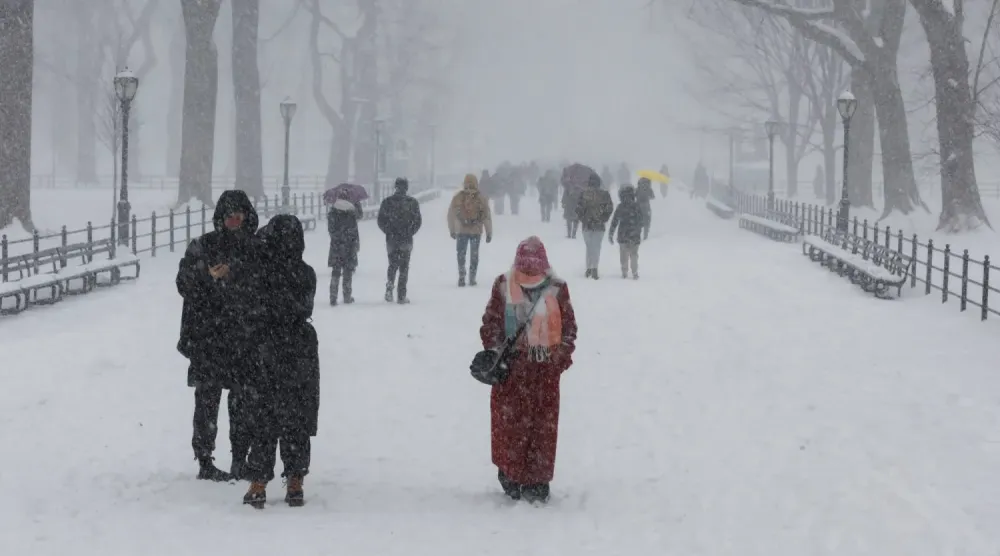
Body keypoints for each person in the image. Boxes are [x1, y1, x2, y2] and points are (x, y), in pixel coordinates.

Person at [479, 236, 578, 504]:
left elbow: (568, 330)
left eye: (534, 268)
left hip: (542, 372)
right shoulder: (503, 285)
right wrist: (501, 352)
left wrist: (556, 360)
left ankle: (535, 479)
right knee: (511, 426)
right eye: (526, 267)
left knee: (538, 429)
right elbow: (490, 324)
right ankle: (511, 475)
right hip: (512, 371)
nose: (530, 273)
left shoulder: (557, 289)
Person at [175, 189, 260, 482]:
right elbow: (183, 282)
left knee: (243, 400)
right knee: (207, 399)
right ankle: (205, 458)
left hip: (243, 337)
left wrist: (234, 273)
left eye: (239, 216)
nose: (234, 221)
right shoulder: (203, 246)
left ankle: (240, 457)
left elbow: (264, 283)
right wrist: (207, 276)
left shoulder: (255, 248)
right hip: (208, 337)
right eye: (229, 216)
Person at [242, 214, 320, 509]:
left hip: (267, 347)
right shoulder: (306, 273)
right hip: (300, 347)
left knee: (264, 416)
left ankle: (259, 483)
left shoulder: (261, 272)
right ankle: (296, 481)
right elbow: (302, 306)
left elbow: (253, 307)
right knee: (296, 417)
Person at [377, 177, 423, 304]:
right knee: (404, 267)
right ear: (406, 187)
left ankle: (389, 286)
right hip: (406, 240)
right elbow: (418, 221)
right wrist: (410, 231)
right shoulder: (412, 202)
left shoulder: (387, 202)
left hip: (391, 239)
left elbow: (381, 220)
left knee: (392, 264)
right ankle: (401, 295)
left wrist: (388, 231)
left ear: (395, 187)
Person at [448, 173, 493, 287]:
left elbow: (451, 214)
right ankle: (472, 278)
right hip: (476, 231)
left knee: (461, 254)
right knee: (474, 255)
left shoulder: (458, 197)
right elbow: (486, 216)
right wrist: (489, 232)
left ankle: (461, 276)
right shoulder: (481, 198)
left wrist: (452, 229)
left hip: (461, 231)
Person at [574, 173, 614, 279]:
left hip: (587, 225)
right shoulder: (605, 194)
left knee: (589, 247)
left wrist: (584, 219)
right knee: (596, 247)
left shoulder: (584, 194)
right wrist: (603, 218)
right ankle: (595, 268)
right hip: (599, 225)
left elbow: (578, 209)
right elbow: (610, 208)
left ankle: (588, 268)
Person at [327, 190, 363, 305]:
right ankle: (347, 296)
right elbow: (355, 227)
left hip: (336, 245)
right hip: (349, 245)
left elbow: (331, 230)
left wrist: (338, 238)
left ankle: (333, 296)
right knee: (348, 271)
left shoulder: (332, 212)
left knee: (336, 271)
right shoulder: (351, 212)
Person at [608, 185, 644, 279]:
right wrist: (638, 229)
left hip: (623, 234)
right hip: (634, 234)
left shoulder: (620, 207)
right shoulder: (636, 206)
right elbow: (641, 221)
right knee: (634, 254)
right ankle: (635, 272)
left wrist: (611, 233)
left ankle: (624, 271)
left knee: (623, 254)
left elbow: (614, 221)